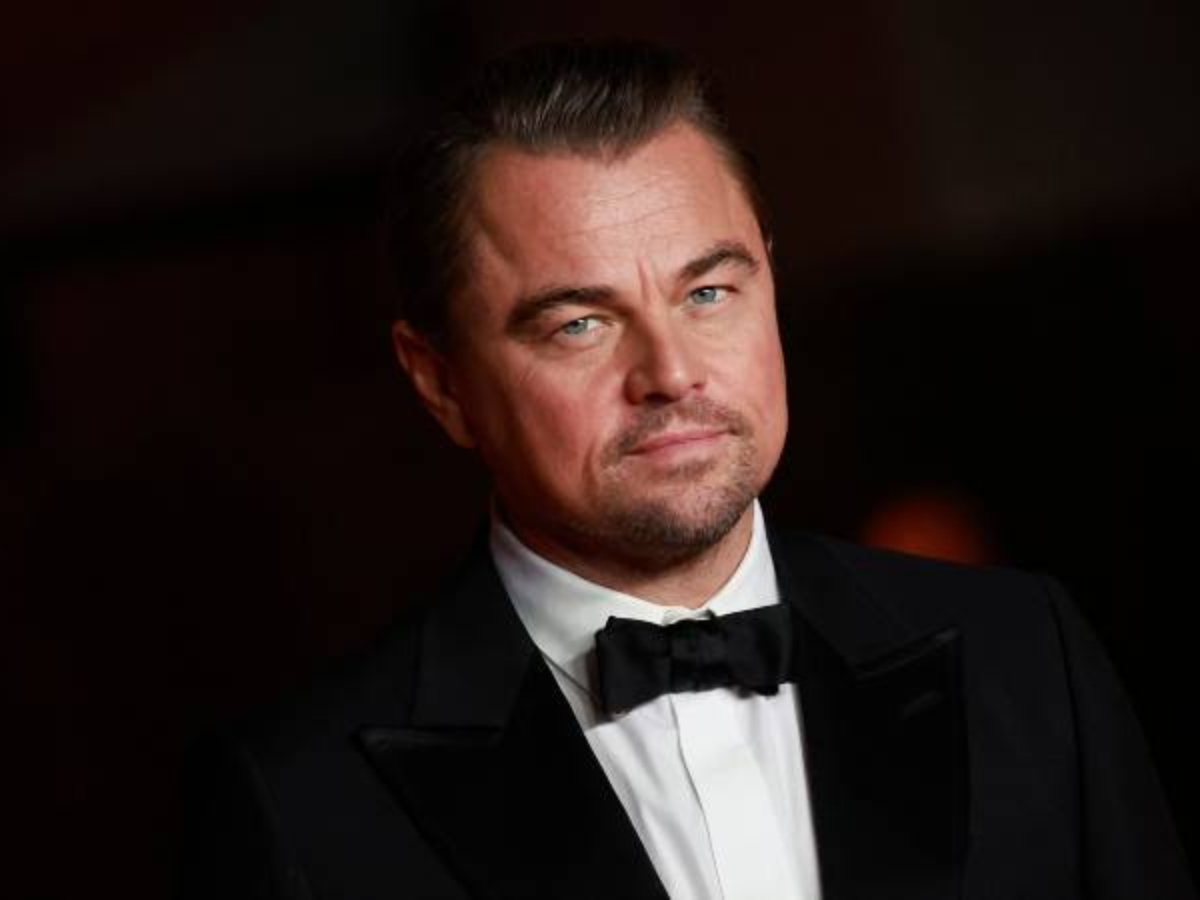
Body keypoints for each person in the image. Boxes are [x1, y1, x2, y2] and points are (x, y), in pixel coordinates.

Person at [176, 39, 1195, 900]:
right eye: (580, 324)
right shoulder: (300, 804)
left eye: (708, 293)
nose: (669, 374)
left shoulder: (1027, 656)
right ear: (440, 382)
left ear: (769, 283)